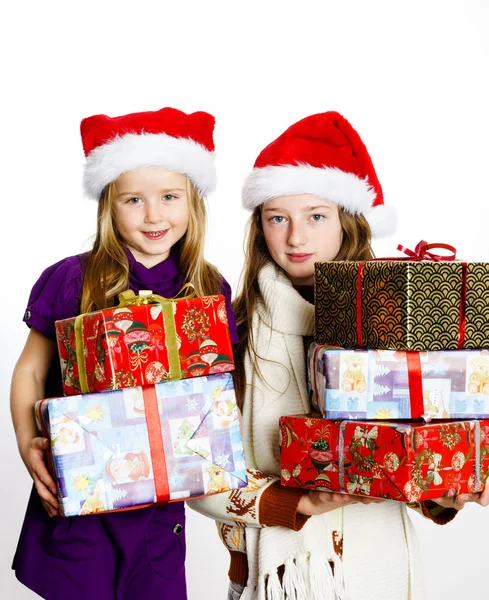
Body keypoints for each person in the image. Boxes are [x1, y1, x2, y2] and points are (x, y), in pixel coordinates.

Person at [189, 111, 489, 600]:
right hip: (277, 575)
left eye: (316, 216)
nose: (296, 237)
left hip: (380, 571)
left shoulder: (402, 319)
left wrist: (448, 483)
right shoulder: (228, 329)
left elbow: (419, 444)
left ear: (347, 219)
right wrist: (296, 503)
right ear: (259, 227)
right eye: (277, 218)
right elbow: (192, 471)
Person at [10, 106, 238, 600]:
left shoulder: (208, 289)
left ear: (193, 202)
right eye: (134, 199)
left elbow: (223, 391)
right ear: (109, 206)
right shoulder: (73, 278)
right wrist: (29, 445)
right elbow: (31, 368)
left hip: (158, 515)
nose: (154, 215)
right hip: (79, 507)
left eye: (169, 197)